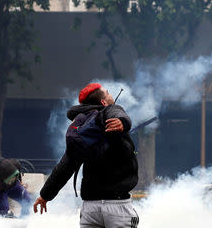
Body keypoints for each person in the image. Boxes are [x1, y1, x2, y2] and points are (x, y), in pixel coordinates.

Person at [33, 83, 139, 228]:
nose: (110, 94)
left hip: (90, 209)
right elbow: (117, 113)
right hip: (117, 206)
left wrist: (45, 195)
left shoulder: (81, 129)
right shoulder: (110, 110)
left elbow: (65, 167)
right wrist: (123, 122)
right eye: (107, 93)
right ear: (103, 102)